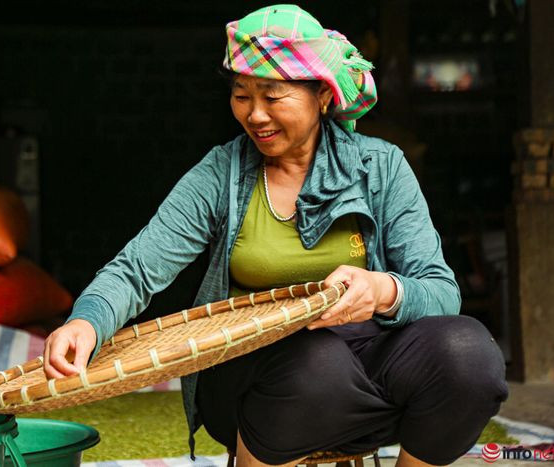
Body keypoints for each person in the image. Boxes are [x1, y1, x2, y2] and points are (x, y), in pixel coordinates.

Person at [44, 5, 509, 466]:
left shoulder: (380, 167)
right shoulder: (221, 173)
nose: (255, 115)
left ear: (322, 96)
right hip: (253, 377)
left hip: (364, 366)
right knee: (317, 362)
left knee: (469, 356)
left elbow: (440, 293)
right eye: (242, 95)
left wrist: (381, 290)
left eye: (273, 95)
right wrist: (86, 322)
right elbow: (138, 269)